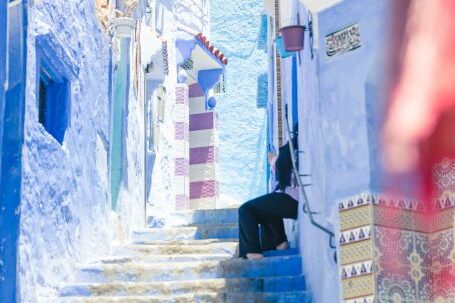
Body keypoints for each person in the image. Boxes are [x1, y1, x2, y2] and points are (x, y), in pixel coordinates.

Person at [238, 130, 299, 259]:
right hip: (294, 199)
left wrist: (272, 160)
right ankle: (279, 243)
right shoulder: (300, 146)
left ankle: (252, 251)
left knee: (245, 209)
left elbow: (280, 168)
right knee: (265, 209)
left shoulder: (294, 145)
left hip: (293, 198)